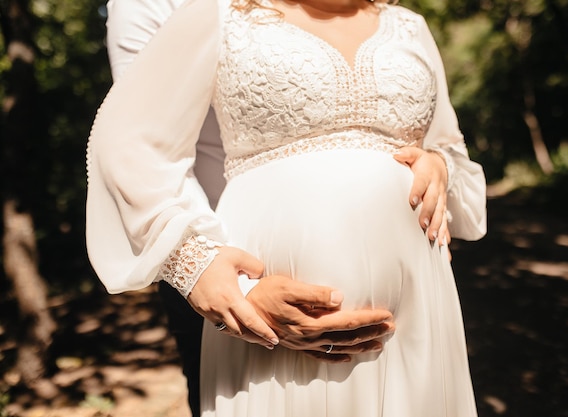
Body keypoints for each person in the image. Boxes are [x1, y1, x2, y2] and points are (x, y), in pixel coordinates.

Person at [87, 0, 486, 415]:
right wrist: (198, 268)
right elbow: (127, 143)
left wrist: (440, 165)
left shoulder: (409, 26)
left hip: (418, 311)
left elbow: (449, 147)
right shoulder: (219, 12)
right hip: (267, 309)